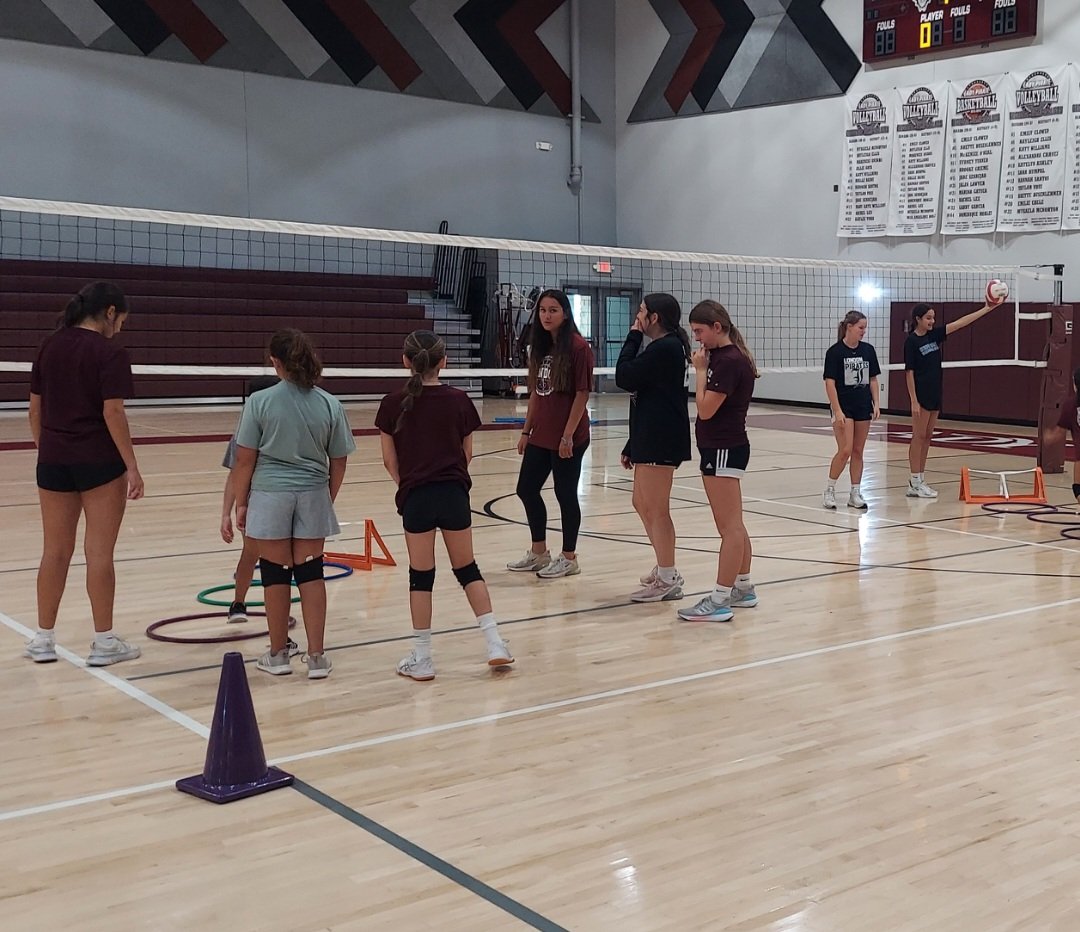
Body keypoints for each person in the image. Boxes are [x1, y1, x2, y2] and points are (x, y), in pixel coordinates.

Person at [376, 330, 514, 681]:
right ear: (444, 361)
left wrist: (410, 486)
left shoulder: (391, 403)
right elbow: (466, 455)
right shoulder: (459, 401)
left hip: (417, 496)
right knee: (467, 569)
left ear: (406, 360)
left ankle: (422, 659)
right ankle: (495, 643)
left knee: (421, 576)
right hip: (454, 493)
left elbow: (389, 461)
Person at [23, 281, 144, 666]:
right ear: (109, 313)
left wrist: (49, 450)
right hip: (98, 462)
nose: (120, 328)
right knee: (99, 553)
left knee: (54, 552)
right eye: (121, 320)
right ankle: (104, 642)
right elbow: (113, 413)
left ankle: (42, 639)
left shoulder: (49, 346)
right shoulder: (110, 353)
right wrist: (132, 465)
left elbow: (34, 411)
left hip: (53, 461)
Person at [232, 328, 355, 680]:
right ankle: (316, 657)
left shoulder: (260, 402)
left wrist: (242, 503)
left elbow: (244, 460)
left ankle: (278, 655)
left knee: (275, 574)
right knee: (311, 572)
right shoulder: (329, 403)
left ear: (276, 363)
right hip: (313, 492)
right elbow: (340, 459)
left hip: (270, 494)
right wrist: (325, 497)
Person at [677, 300, 759, 623]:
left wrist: (698, 373)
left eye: (699, 331)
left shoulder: (727, 362)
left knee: (729, 528)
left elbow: (706, 409)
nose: (696, 338)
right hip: (722, 447)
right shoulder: (724, 357)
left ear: (717, 327)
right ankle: (744, 588)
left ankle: (720, 599)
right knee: (734, 525)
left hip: (724, 448)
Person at [506, 289, 594, 579]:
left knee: (565, 493)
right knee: (526, 489)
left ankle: (569, 558)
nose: (546, 315)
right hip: (541, 435)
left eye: (553, 310)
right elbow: (535, 393)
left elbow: (582, 394)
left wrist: (568, 436)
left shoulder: (579, 348)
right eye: (542, 310)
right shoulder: (540, 346)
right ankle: (539, 552)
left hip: (568, 437)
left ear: (565, 313)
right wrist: (525, 430)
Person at [615, 293, 692, 602]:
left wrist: (632, 335)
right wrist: (632, 442)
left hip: (662, 437)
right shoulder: (662, 348)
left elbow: (624, 375)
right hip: (649, 434)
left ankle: (668, 575)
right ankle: (664, 567)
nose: (638, 317)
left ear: (654, 318)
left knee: (657, 508)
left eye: (642, 312)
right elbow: (648, 395)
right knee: (641, 502)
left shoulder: (667, 348)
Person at [904, 297, 1003, 498]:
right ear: (918, 319)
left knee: (928, 437)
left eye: (933, 318)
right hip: (921, 395)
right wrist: (913, 400)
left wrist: (986, 309)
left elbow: (960, 323)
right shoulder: (911, 342)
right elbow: (909, 372)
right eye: (928, 318)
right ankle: (914, 481)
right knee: (918, 437)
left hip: (935, 393)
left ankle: (920, 480)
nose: (932, 321)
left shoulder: (934, 336)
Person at [822, 311, 880, 510]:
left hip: (863, 405)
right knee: (845, 450)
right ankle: (829, 489)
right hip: (844, 406)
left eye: (865, 328)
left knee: (858, 451)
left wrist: (877, 403)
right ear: (849, 327)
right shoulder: (835, 352)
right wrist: (837, 410)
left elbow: (873, 379)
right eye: (860, 328)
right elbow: (829, 383)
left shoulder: (868, 350)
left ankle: (855, 492)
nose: (864, 331)